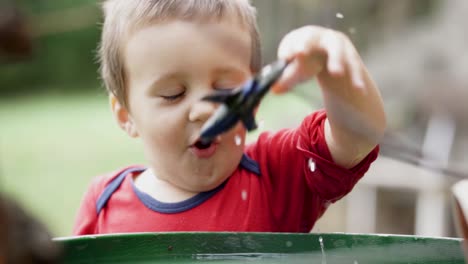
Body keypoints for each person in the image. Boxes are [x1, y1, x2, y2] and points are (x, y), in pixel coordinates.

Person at [73, 0, 386, 235]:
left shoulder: (275, 175)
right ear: (126, 115)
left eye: (225, 88)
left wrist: (335, 67)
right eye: (173, 94)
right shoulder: (103, 204)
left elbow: (357, 137)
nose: (205, 109)